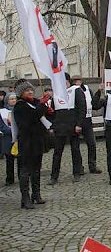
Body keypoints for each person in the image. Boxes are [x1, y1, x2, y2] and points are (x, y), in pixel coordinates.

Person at [13, 80, 51, 209]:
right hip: (26, 142)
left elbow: (42, 116)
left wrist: (48, 108)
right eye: (26, 90)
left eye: (31, 90)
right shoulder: (20, 106)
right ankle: (25, 198)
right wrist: (41, 106)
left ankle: (36, 194)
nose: (30, 92)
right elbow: (31, 118)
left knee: (36, 169)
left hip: (37, 141)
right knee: (25, 171)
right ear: (21, 93)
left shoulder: (35, 103)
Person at [48, 73, 85, 185]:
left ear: (68, 81)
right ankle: (54, 176)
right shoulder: (56, 94)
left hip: (73, 126)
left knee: (75, 150)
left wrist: (79, 124)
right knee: (57, 153)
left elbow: (82, 108)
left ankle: (77, 173)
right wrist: (52, 125)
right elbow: (53, 112)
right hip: (60, 126)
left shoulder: (76, 90)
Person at [71, 75, 101, 175]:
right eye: (75, 81)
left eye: (79, 80)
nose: (77, 82)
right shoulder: (71, 91)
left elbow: (94, 104)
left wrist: (99, 92)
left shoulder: (87, 89)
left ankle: (92, 165)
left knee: (91, 144)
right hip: (76, 120)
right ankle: (79, 167)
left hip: (87, 119)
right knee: (76, 146)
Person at [0, 93, 17, 185]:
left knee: (21, 158)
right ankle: (9, 178)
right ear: (7, 100)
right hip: (8, 137)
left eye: (15, 98)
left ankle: (23, 176)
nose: (13, 100)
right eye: (11, 99)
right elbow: (2, 126)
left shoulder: (20, 109)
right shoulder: (2, 111)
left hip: (19, 137)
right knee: (9, 158)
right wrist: (12, 131)